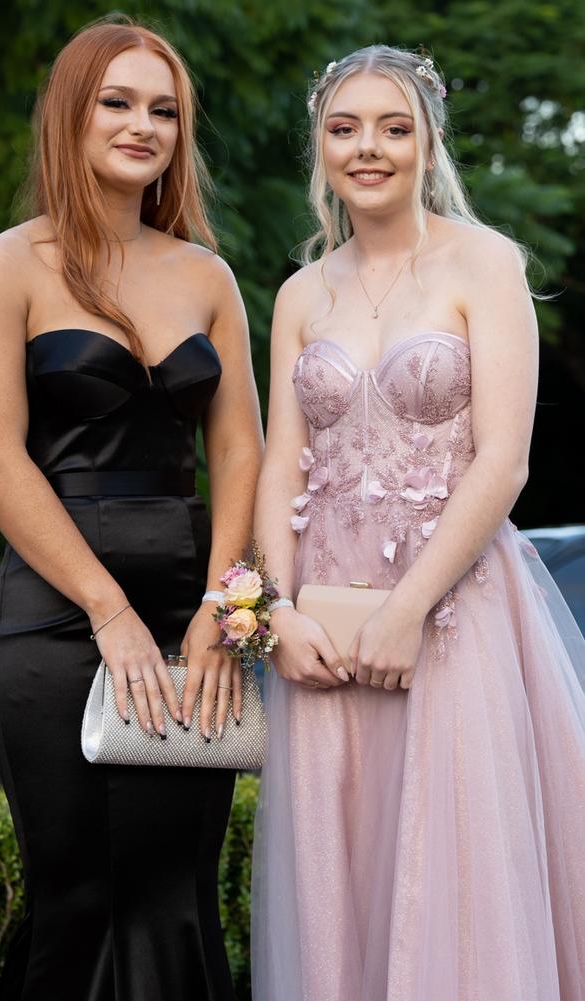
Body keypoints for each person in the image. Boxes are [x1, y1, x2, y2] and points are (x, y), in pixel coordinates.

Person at [252, 44, 585, 1001]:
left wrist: (408, 610)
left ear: (427, 142)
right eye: (344, 128)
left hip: (451, 618)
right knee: (337, 875)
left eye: (394, 129)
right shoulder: (299, 294)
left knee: (456, 878)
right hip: (325, 626)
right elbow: (282, 461)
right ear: (320, 145)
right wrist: (277, 612)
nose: (369, 148)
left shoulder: (484, 263)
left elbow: (504, 460)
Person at [0, 16, 262, 1001]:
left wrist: (226, 609)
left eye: (163, 109)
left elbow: (240, 448)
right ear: (70, 117)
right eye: (117, 102)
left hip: (189, 614)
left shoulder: (205, 275)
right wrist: (108, 609)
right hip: (54, 614)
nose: (143, 125)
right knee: (75, 895)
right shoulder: (4, 266)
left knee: (178, 894)